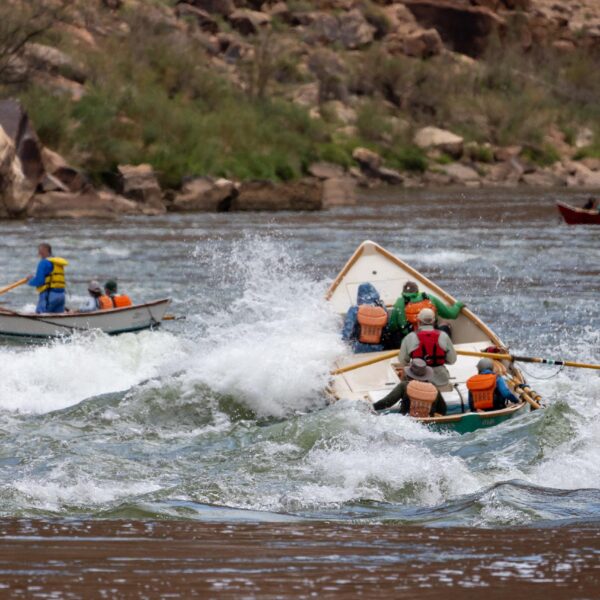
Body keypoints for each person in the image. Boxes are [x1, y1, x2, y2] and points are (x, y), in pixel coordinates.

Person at [388, 281, 465, 342]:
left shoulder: (399, 303)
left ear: (403, 293)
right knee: (445, 325)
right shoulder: (430, 298)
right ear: (418, 291)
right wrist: (458, 305)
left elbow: (392, 327)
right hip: (432, 338)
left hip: (410, 341)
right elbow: (452, 314)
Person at [397, 308, 457, 387]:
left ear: (419, 321)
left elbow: (403, 361)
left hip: (419, 380)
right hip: (441, 380)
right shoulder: (444, 336)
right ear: (433, 321)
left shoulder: (410, 337)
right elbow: (452, 360)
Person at [372, 358, 447, 417]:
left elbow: (387, 402)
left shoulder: (404, 386)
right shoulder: (434, 389)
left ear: (409, 374)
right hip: (427, 425)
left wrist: (371, 407)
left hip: (407, 424)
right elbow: (442, 410)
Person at [342, 282, 388, 353]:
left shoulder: (355, 309)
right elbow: (387, 327)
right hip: (379, 348)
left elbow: (347, 331)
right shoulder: (382, 308)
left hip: (358, 348)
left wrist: (344, 343)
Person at [26, 242, 68, 314]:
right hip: (61, 296)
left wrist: (29, 281)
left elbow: (40, 281)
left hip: (49, 296)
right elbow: (49, 276)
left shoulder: (43, 263)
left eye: (40, 251)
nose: (39, 253)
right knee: (58, 316)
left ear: (45, 250)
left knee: (41, 314)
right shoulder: (57, 262)